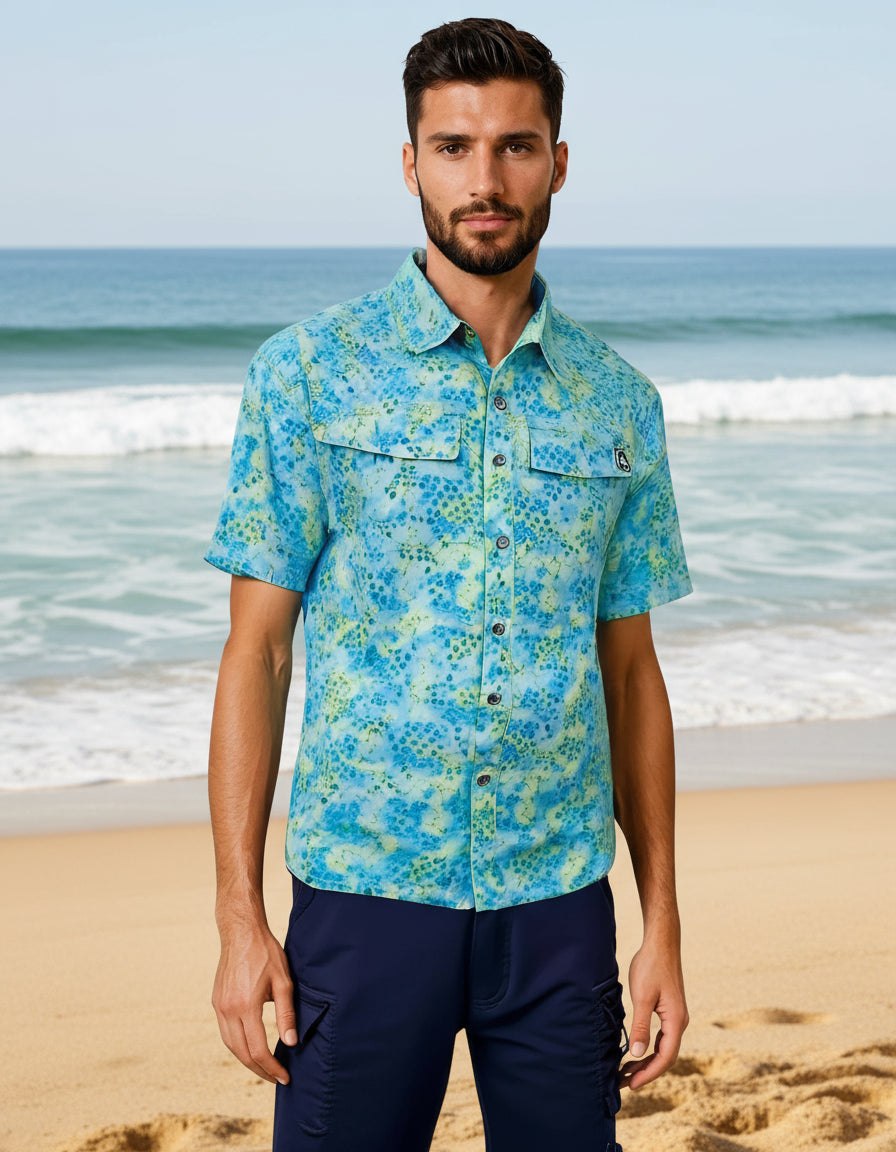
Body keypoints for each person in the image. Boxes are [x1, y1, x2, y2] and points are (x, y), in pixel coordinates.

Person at [205, 17, 692, 1152]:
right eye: (454, 146)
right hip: (364, 898)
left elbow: (629, 675)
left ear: (558, 164)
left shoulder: (618, 405)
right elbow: (257, 654)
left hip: (557, 902)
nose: (486, 179)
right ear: (411, 161)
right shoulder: (306, 374)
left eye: (516, 146)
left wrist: (659, 921)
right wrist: (239, 918)